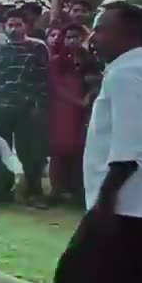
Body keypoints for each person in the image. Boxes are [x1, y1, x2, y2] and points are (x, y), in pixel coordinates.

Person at [27, 1, 142, 283]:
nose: (93, 38)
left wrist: (104, 202)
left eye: (101, 29)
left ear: (129, 34)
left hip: (123, 204)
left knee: (77, 282)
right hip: (135, 207)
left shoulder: (128, 72)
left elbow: (131, 147)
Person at [0, 8, 49, 207]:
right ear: (4, 27)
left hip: (28, 109)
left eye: (18, 24)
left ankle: (34, 192)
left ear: (26, 26)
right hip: (1, 108)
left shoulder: (38, 48)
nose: (13, 28)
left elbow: (44, 79)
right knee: (2, 149)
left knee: (31, 152)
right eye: (10, 25)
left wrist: (40, 105)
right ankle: (3, 190)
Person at [48, 24, 97, 205]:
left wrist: (88, 97)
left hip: (84, 112)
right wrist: (78, 101)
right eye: (68, 36)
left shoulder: (91, 60)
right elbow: (55, 86)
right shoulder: (57, 60)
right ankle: (56, 191)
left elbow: (96, 82)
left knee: (80, 150)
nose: (71, 40)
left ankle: (77, 191)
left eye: (76, 36)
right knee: (58, 150)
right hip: (62, 111)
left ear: (83, 38)